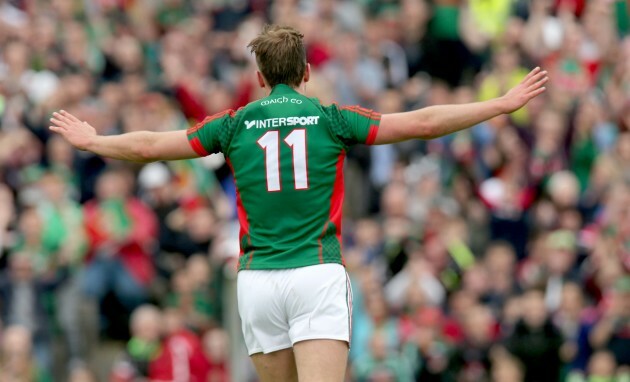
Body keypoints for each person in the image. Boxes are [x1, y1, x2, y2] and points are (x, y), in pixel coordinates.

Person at [49, 24, 548, 382]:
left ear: (261, 78)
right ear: (307, 73)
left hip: (258, 281)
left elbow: (148, 146)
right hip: (316, 274)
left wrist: (95, 141)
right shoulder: (331, 117)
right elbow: (420, 122)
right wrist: (499, 104)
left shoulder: (234, 122)